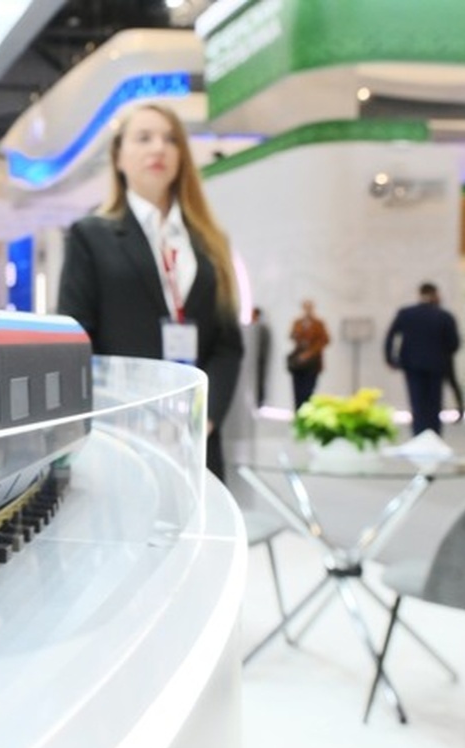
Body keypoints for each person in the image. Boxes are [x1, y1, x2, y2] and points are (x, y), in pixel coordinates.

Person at [57, 102, 244, 482]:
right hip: (123, 442)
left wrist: (204, 419)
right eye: (144, 138)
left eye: (170, 139)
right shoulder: (91, 237)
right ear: (119, 157)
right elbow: (78, 342)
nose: (159, 148)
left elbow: (227, 344)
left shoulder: (210, 241)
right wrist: (119, 419)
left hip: (196, 443)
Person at [384, 282, 460, 436]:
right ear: (435, 294)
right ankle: (433, 435)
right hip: (436, 365)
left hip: (412, 365)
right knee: (434, 403)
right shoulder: (444, 316)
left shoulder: (406, 313)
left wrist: (391, 359)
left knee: (417, 403)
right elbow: (453, 344)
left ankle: (419, 434)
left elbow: (391, 336)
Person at [287, 299, 330, 410]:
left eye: (309, 307)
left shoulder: (318, 324)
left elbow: (324, 340)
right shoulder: (298, 322)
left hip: (312, 362)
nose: (307, 310)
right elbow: (292, 336)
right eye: (305, 307)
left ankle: (307, 411)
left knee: (309, 390)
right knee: (298, 390)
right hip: (299, 361)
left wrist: (310, 352)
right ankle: (298, 412)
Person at [251, 306, 270, 407]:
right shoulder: (250, 328)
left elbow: (264, 346)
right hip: (251, 361)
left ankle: (259, 401)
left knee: (260, 380)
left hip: (259, 360)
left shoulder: (262, 329)